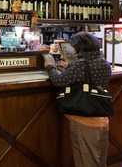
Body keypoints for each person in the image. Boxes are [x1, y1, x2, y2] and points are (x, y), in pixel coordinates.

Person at [43, 32, 112, 167]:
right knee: (99, 159)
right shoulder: (104, 63)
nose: (71, 49)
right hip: (101, 116)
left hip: (83, 118)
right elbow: (87, 77)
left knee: (86, 160)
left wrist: (50, 66)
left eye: (73, 46)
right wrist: (69, 67)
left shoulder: (80, 65)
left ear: (80, 48)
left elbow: (58, 81)